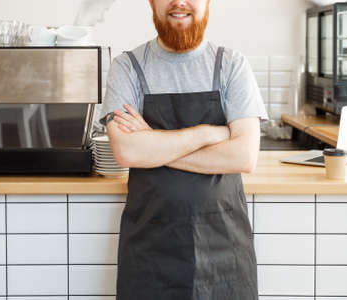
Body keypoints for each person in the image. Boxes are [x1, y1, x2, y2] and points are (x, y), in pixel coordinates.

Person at [100, 0, 268, 299]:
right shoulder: (127, 67)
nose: (180, 2)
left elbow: (243, 156)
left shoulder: (231, 65)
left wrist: (154, 143)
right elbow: (127, 152)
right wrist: (209, 133)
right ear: (152, 2)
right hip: (150, 250)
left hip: (225, 250)